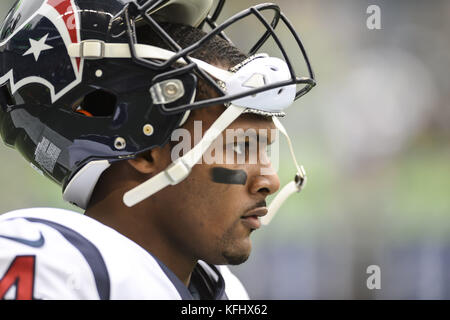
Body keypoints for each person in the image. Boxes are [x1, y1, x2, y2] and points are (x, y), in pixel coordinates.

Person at [0, 0, 315, 300]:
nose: (270, 181)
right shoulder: (53, 266)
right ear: (143, 150)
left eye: (265, 148)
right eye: (240, 146)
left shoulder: (225, 291)